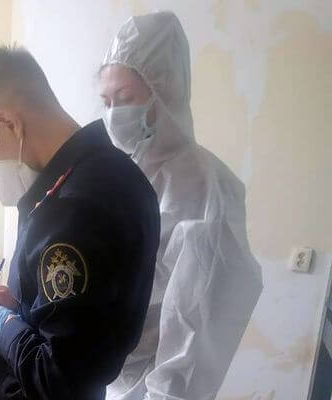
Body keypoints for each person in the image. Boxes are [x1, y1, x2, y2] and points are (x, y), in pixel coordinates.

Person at [0, 46, 160, 399]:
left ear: (9, 124)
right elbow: (89, 320)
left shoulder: (72, 207)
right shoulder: (113, 172)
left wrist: (4, 326)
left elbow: (59, 379)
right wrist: (24, 307)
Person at [99, 11, 263, 400]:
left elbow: (194, 326)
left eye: (125, 99)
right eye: (105, 101)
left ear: (166, 90)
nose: (113, 114)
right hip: (105, 377)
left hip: (152, 388)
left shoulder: (207, 186)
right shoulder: (116, 174)